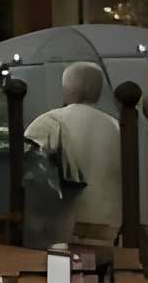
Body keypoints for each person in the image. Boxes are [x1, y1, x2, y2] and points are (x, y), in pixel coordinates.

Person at [23, 60, 123, 247]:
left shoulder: (48, 122)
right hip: (110, 223)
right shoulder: (116, 126)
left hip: (63, 226)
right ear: (99, 90)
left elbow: (28, 173)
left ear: (65, 88)